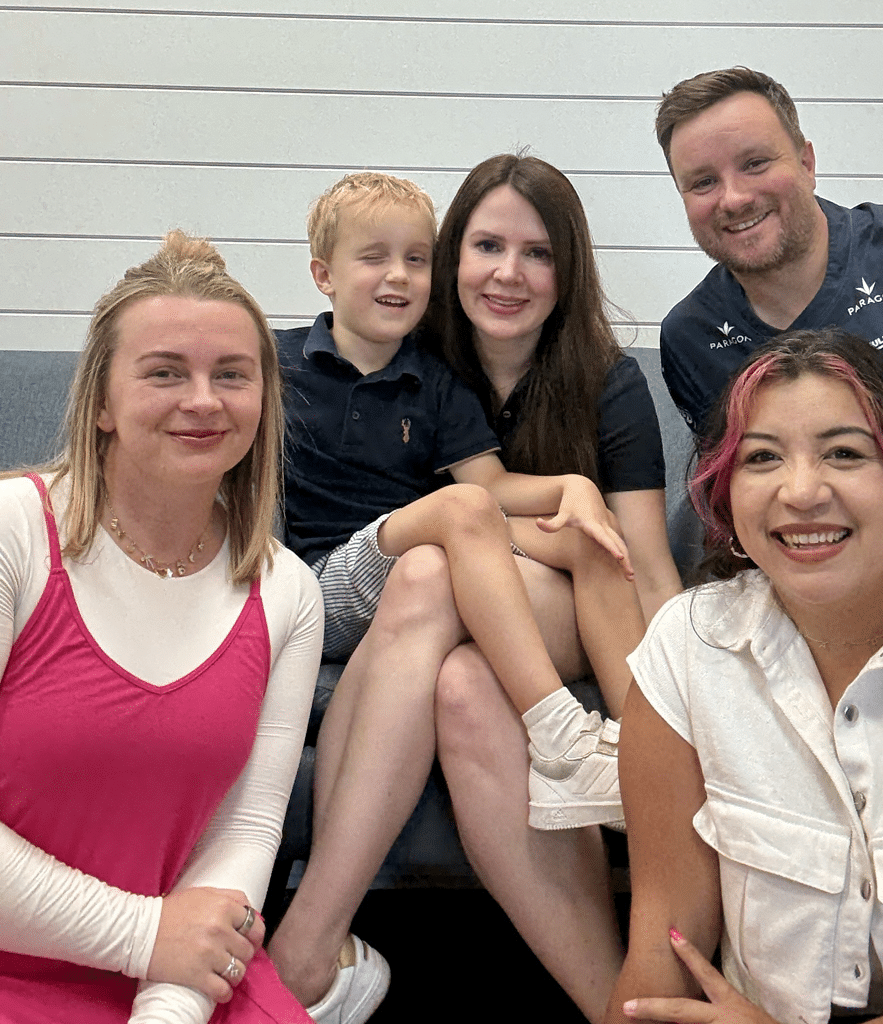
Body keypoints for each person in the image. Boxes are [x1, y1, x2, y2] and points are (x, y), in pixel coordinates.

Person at [268, 170, 666, 1023]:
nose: (508, 272)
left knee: (548, 545)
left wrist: (685, 703)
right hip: (373, 584)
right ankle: (612, 998)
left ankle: (640, 756)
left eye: (537, 253)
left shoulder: (584, 380)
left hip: (515, 594)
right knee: (449, 646)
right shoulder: (364, 359)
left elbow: (639, 561)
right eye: (486, 246)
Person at [0, 231, 324, 1023]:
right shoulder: (0, 533)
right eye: (165, 372)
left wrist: (166, 1007)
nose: (203, 400)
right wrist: (142, 935)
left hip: (180, 979)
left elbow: (245, 833)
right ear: (101, 402)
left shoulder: (288, 591)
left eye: (231, 374)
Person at [606, 327, 883, 1024]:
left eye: (844, 453)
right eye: (762, 457)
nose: (801, 491)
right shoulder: (687, 647)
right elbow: (664, 959)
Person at [655, 66, 883, 495]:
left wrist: (877, 484)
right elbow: (737, 498)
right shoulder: (692, 338)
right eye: (703, 182)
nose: (735, 198)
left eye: (755, 164)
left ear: (807, 163)